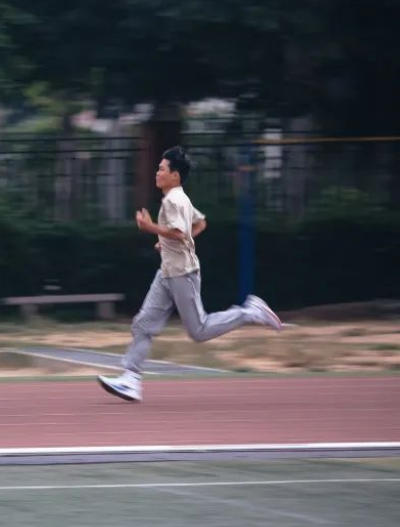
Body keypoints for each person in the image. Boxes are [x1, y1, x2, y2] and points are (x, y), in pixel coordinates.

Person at [97, 147, 282, 402]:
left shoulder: (174, 201)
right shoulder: (178, 198)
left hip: (183, 273)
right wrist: (167, 242)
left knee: (199, 330)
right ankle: (131, 380)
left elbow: (181, 233)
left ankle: (250, 312)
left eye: (162, 169)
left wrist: (151, 228)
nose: (157, 172)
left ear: (175, 175)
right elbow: (200, 224)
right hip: (167, 272)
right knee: (143, 324)